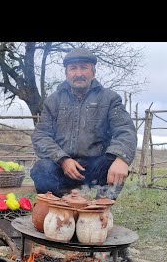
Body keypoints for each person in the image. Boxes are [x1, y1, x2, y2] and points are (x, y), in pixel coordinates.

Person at [31, 47, 137, 199]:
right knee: (41, 169)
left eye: (84, 68)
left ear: (93, 72)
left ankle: (99, 212)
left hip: (95, 168)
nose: (79, 74)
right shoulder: (53, 101)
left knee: (112, 162)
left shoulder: (110, 99)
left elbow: (125, 129)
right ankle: (56, 210)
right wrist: (63, 159)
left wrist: (121, 159)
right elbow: (40, 135)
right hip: (61, 167)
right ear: (66, 74)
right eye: (73, 68)